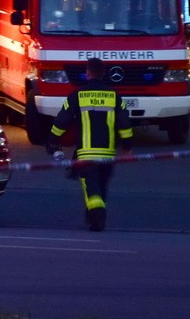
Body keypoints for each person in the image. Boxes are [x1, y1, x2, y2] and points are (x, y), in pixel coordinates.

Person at [47, 57, 133, 232]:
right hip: (108, 153)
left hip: (86, 153)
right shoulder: (114, 96)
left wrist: (53, 141)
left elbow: (61, 122)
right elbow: (125, 124)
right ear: (103, 74)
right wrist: (127, 147)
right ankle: (95, 216)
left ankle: (97, 220)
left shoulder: (77, 96)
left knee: (91, 188)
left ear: (87, 73)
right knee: (102, 186)